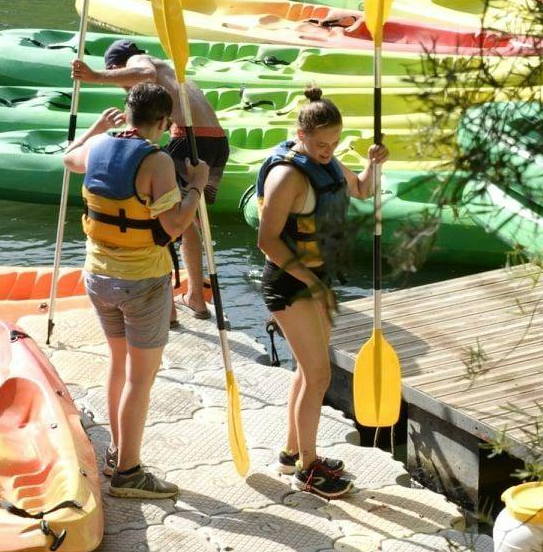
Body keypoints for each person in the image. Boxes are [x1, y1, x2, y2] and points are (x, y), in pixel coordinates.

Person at [61, 82, 210, 499]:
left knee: (119, 364)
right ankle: (129, 470)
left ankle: (116, 452)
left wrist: (94, 127)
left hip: (97, 275)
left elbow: (68, 158)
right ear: (163, 122)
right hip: (141, 281)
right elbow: (174, 226)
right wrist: (196, 184)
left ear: (127, 114)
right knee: (140, 379)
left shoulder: (99, 147)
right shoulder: (158, 160)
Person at [252, 87, 387, 499]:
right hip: (290, 284)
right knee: (319, 375)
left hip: (317, 280)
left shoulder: (326, 164)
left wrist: (373, 164)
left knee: (306, 372)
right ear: (301, 133)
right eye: (320, 144)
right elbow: (267, 241)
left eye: (333, 144)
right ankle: (308, 470)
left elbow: (362, 190)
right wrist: (311, 283)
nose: (327, 151)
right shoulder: (287, 176)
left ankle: (293, 454)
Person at [72, 39, 228, 322]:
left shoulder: (139, 61)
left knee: (160, 219)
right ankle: (195, 297)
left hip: (190, 138)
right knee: (189, 220)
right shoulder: (167, 69)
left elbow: (144, 76)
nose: (125, 88)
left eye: (120, 79)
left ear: (117, 66)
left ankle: (167, 309)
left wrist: (95, 77)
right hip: (216, 140)